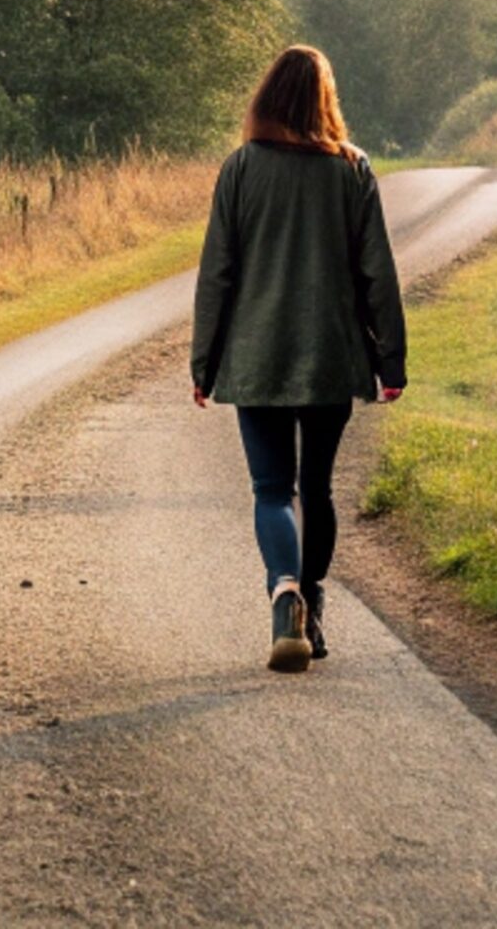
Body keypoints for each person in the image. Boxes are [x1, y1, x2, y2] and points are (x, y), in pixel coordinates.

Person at [191, 44, 407, 672]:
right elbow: (378, 277)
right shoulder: (353, 171)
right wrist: (390, 362)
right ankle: (311, 603)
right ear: (325, 101)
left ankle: (283, 588)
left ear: (266, 98)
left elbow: (217, 275)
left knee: (271, 488)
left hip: (254, 359)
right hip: (330, 359)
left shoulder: (239, 169)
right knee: (317, 486)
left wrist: (203, 362)